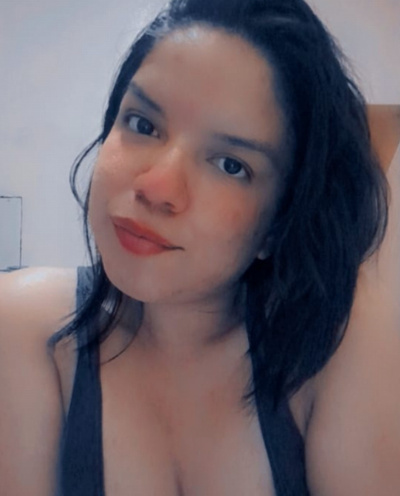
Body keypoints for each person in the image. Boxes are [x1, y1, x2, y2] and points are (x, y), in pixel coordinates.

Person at [1, 0, 399, 494]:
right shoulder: (24, 330)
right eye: (142, 124)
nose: (157, 188)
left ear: (278, 224)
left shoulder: (337, 339)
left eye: (230, 165)